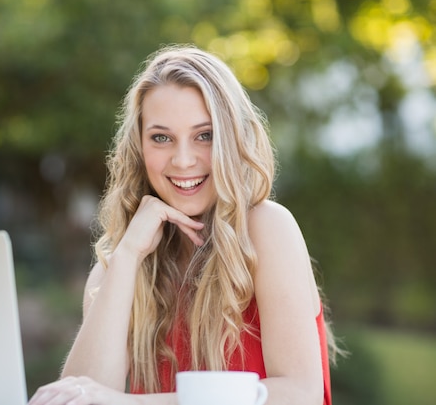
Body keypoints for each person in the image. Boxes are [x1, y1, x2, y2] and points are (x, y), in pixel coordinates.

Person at [28, 44, 341, 405]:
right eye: (161, 137)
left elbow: (299, 394)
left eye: (204, 135)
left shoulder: (268, 228)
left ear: (231, 139)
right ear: (139, 147)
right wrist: (128, 255)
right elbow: (79, 398)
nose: (183, 159)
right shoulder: (119, 265)